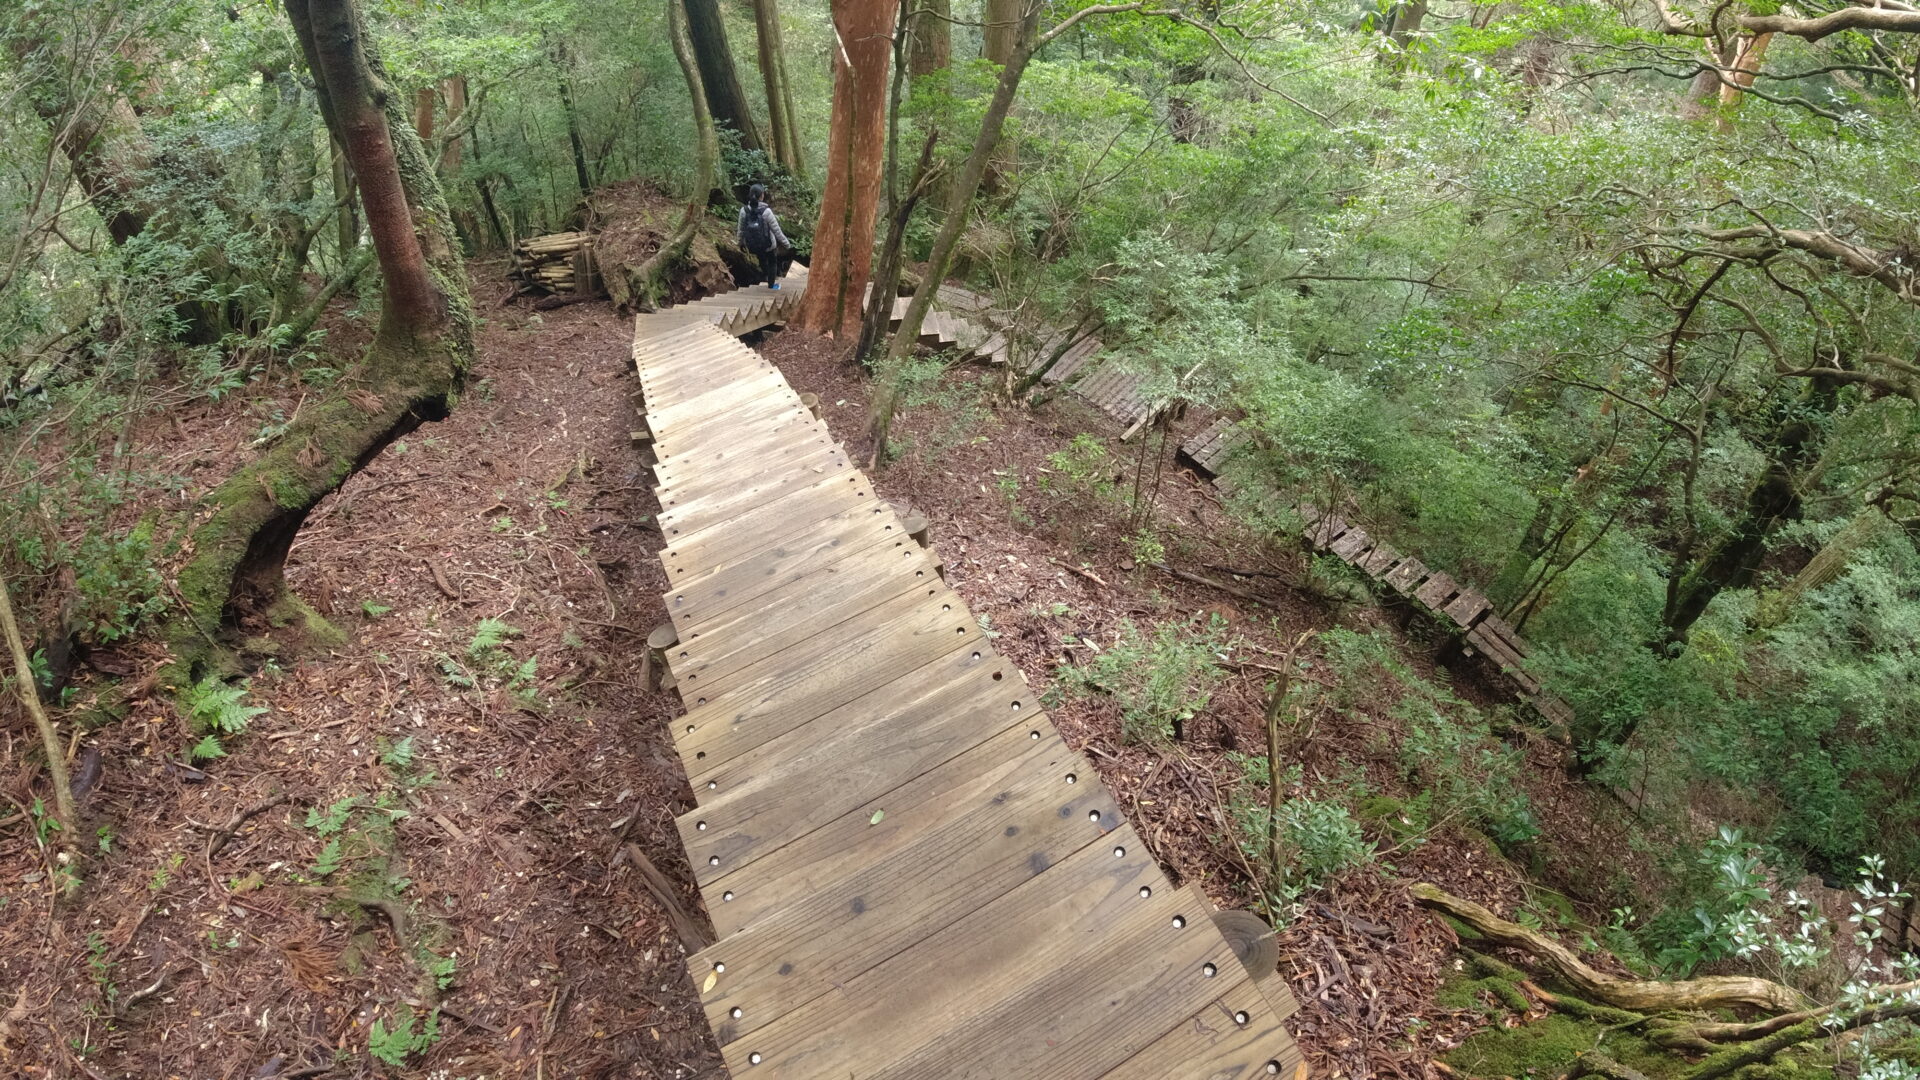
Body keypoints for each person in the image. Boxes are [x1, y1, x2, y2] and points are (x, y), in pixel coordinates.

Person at [737, 184, 790, 289]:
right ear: (762, 196)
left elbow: (741, 229)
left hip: (753, 245)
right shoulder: (766, 211)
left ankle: (765, 276)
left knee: (762, 260)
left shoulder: (744, 210)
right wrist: (786, 244)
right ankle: (771, 285)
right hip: (768, 244)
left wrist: (740, 242)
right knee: (772, 262)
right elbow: (777, 230)